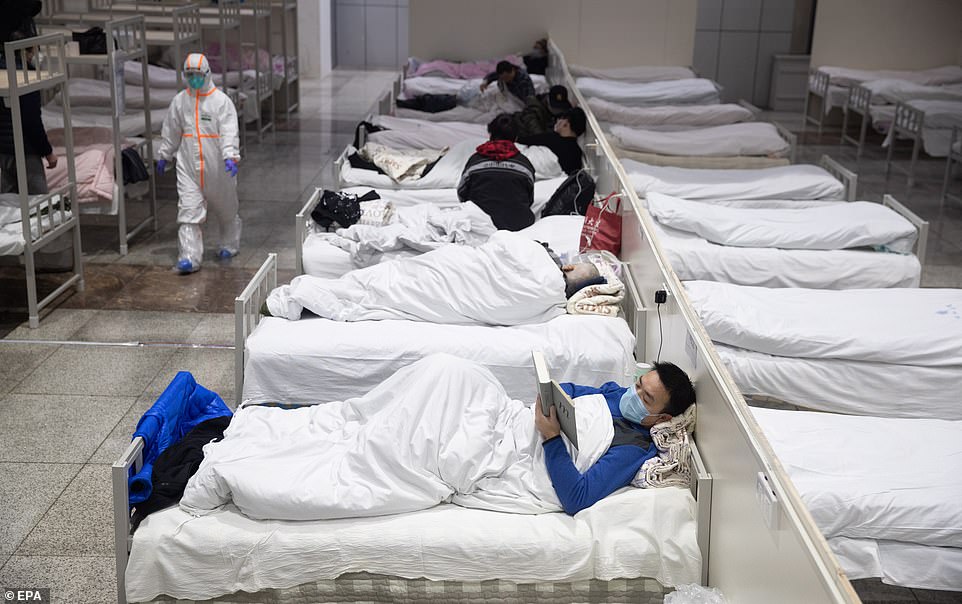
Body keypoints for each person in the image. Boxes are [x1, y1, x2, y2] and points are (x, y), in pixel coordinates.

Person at [535, 361, 696, 514]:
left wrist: (552, 437)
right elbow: (569, 390)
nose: (634, 394)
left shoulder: (633, 446)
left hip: (538, 449)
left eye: (645, 398)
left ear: (662, 418)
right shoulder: (618, 393)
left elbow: (576, 498)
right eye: (638, 385)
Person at [156, 53, 241, 274]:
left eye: (197, 75)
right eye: (189, 75)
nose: (193, 79)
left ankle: (229, 244)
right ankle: (189, 257)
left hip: (218, 166)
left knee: (226, 208)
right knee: (188, 210)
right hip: (188, 166)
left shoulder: (221, 102)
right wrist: (164, 154)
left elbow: (229, 131)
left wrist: (230, 155)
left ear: (207, 74)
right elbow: (171, 130)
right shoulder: (180, 101)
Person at [0, 29, 56, 195]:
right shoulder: (26, 77)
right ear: (26, 50)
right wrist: (47, 152)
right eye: (34, 50)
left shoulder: (2, 72)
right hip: (25, 150)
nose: (35, 55)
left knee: (10, 202)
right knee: (38, 203)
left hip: (3, 149)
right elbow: (31, 121)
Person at [457, 113, 535, 231]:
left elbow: (462, 192)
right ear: (516, 138)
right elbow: (529, 198)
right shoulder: (524, 164)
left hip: (479, 225)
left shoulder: (475, 161)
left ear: (490, 135)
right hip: (518, 226)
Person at [518, 106, 587, 175]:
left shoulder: (551, 139)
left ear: (565, 124)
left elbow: (521, 141)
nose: (557, 121)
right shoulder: (577, 154)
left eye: (560, 119)